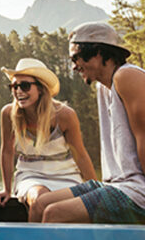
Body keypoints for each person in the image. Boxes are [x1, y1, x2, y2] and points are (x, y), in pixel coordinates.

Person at [33, 22, 145, 223]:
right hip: (116, 185)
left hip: (137, 190)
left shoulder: (128, 76)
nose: (74, 66)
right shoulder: (103, 88)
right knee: (40, 204)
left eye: (76, 57)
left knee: (54, 214)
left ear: (100, 52)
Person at [0, 58, 96, 221]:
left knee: (67, 209)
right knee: (40, 197)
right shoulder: (8, 113)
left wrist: (95, 188)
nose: (18, 91)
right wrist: (6, 189)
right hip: (30, 174)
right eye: (14, 86)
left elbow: (80, 155)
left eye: (24, 86)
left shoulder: (64, 115)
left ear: (40, 88)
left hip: (66, 174)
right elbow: (7, 151)